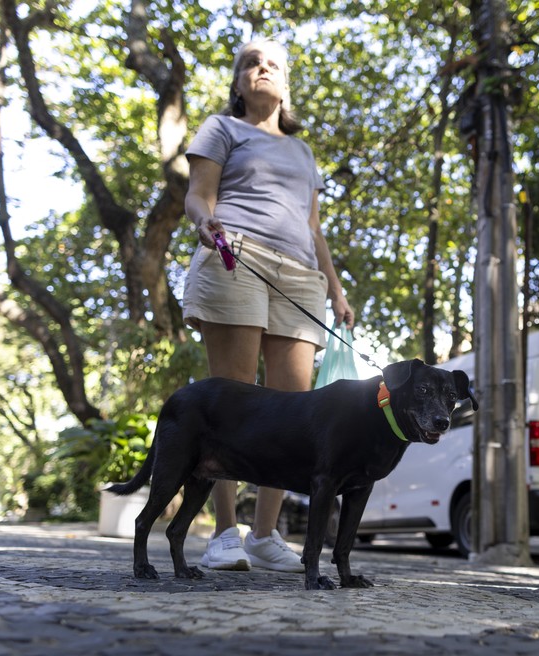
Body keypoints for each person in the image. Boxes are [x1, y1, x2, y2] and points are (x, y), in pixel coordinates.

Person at [182, 37, 354, 572]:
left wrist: (336, 286)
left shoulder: (302, 152)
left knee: (295, 410)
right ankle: (225, 534)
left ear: (285, 85)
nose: (261, 69)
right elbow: (198, 193)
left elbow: (313, 228)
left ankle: (264, 536)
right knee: (231, 400)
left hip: (301, 277)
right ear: (238, 83)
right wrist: (203, 221)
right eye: (250, 64)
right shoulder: (221, 129)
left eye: (272, 65)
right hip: (238, 256)